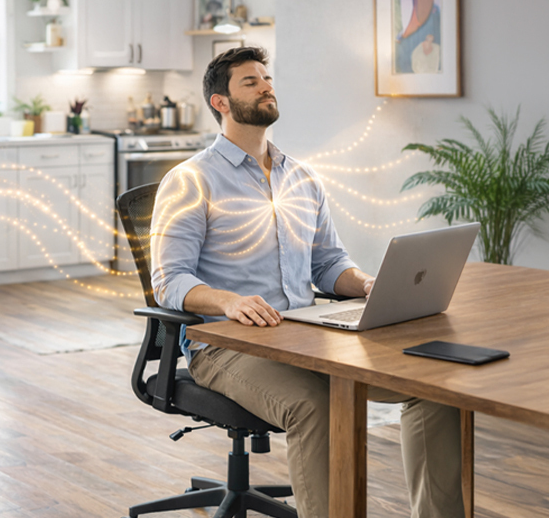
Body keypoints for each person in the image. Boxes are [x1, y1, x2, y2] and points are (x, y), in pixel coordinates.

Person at [150, 46, 464, 518]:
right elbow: (169, 281)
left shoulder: (303, 178)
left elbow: (328, 264)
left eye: (267, 78)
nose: (266, 86)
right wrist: (229, 301)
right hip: (226, 345)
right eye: (250, 82)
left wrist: (365, 284)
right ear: (220, 102)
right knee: (316, 406)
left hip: (307, 331)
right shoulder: (191, 180)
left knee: (435, 388)